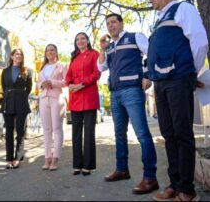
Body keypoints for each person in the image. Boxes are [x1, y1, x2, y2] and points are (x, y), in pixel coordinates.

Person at [148, 0, 208, 202]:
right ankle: (174, 185)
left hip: (178, 78)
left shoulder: (183, 8)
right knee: (169, 134)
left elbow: (199, 42)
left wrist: (191, 71)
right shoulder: (160, 20)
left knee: (182, 133)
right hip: (161, 82)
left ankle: (187, 190)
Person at [97, 13, 159, 194]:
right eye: (108, 23)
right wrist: (102, 48)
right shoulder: (109, 47)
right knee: (119, 134)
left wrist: (148, 76)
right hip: (115, 93)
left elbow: (152, 54)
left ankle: (150, 178)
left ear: (121, 23)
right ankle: (122, 169)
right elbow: (100, 68)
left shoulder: (134, 37)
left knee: (142, 134)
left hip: (132, 90)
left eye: (114, 22)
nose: (110, 26)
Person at [66, 32, 101, 176]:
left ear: (87, 41)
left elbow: (97, 73)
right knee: (76, 133)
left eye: (82, 38)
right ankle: (77, 165)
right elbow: (68, 75)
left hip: (89, 97)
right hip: (75, 98)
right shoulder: (73, 57)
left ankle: (88, 165)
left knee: (88, 133)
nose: (80, 41)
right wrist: (70, 84)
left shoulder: (94, 54)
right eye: (77, 39)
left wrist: (82, 84)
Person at [37, 44, 67, 171]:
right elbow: (38, 83)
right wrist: (41, 84)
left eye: (52, 50)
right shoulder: (42, 68)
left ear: (56, 52)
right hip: (43, 99)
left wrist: (52, 83)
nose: (49, 52)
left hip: (57, 99)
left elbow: (67, 81)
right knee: (46, 129)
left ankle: (55, 159)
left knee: (56, 128)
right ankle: (47, 158)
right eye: (47, 50)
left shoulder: (62, 65)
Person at [0, 48, 32, 169]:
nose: (19, 56)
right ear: (12, 56)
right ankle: (9, 158)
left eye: (21, 54)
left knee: (20, 131)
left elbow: (28, 88)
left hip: (21, 102)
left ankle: (17, 157)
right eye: (16, 54)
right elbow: (4, 87)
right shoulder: (5, 71)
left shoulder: (27, 71)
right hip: (8, 102)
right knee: (8, 131)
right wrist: (11, 94)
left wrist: (20, 95)